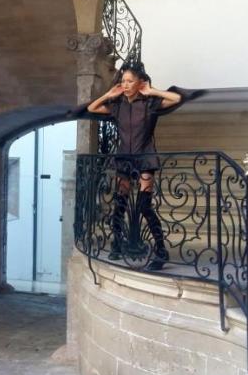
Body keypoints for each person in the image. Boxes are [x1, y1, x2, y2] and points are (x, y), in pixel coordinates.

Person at [86, 61, 205, 271]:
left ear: (140, 83)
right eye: (123, 81)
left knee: (144, 206)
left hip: (145, 158)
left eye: (130, 81)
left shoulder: (150, 103)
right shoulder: (117, 106)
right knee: (120, 203)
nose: (125, 84)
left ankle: (161, 251)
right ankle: (117, 243)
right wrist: (108, 95)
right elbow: (91, 108)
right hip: (124, 158)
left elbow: (177, 98)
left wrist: (152, 91)